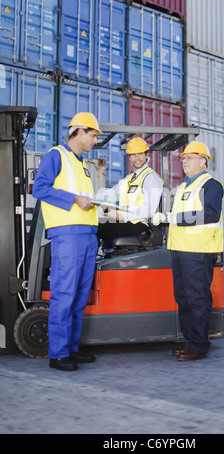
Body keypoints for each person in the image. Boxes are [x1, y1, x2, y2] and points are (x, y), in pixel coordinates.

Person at [32, 112, 101, 371]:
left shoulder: (81, 164)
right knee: (65, 294)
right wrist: (74, 199)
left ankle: (72, 348)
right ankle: (58, 354)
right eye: (93, 135)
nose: (95, 141)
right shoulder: (56, 155)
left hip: (87, 235)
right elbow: (39, 188)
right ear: (79, 132)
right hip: (68, 235)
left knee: (80, 295)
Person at [154, 141, 224, 361]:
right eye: (183, 158)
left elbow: (210, 214)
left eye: (189, 158)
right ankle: (190, 340)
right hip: (180, 249)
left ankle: (199, 345)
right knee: (183, 298)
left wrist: (171, 218)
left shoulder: (210, 185)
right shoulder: (183, 187)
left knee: (197, 298)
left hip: (198, 251)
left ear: (203, 161)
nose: (184, 161)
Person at [97, 136, 163, 242]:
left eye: (140, 154)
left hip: (139, 225)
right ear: (129, 157)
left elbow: (149, 209)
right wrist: (91, 199)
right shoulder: (129, 179)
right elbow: (111, 194)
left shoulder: (151, 178)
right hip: (127, 222)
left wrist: (122, 216)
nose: (137, 158)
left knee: (95, 227)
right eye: (133, 155)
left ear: (146, 154)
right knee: (91, 223)